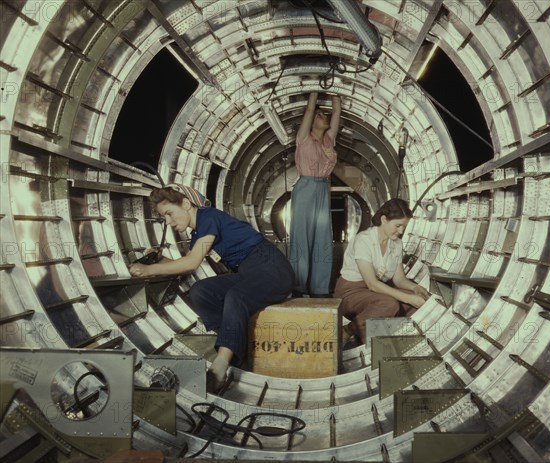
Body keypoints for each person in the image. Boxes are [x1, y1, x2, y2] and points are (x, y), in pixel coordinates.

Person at [128, 184, 294, 393]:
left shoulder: (208, 217)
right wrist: (159, 260)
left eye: (169, 214)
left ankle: (220, 367)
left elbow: (190, 263)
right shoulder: (199, 235)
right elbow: (185, 266)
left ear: (187, 204)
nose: (168, 222)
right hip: (247, 273)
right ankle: (232, 343)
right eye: (164, 218)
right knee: (200, 291)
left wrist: (149, 270)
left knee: (236, 296)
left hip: (272, 269)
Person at [333, 198, 429, 345]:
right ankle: (349, 330)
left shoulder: (396, 243)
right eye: (398, 225)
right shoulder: (364, 240)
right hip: (350, 293)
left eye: (404, 226)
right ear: (384, 219)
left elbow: (399, 280)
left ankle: (392, 341)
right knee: (389, 304)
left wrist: (415, 288)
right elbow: (372, 284)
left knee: (414, 303)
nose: (401, 231)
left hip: (376, 293)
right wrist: (408, 298)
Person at [289, 92, 342, 297]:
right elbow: (310, 109)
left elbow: (337, 110)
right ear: (311, 123)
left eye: (324, 115)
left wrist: (335, 92)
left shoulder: (329, 140)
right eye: (320, 115)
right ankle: (298, 286)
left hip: (322, 188)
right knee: (301, 237)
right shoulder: (303, 138)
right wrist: (314, 91)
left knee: (323, 238)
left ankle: (319, 288)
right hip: (305, 187)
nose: (324, 116)